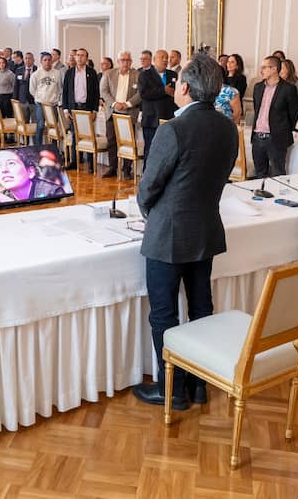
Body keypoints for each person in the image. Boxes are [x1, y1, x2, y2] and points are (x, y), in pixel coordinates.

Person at [131, 52, 238, 410]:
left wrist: (150, 212)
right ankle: (197, 384)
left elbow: (149, 186)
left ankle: (170, 389)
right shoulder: (227, 127)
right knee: (201, 309)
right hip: (206, 228)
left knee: (163, 314)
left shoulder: (172, 129)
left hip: (168, 233)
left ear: (186, 88)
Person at [251, 55, 298, 177]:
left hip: (276, 139)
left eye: (264, 67)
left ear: (274, 69)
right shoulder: (258, 87)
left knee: (278, 174)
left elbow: (293, 115)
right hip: (257, 137)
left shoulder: (288, 89)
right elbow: (257, 109)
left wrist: (283, 131)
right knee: (259, 174)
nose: (261, 70)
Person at [0, 147, 66, 206]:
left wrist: (7, 202)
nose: (4, 170)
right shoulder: (3, 195)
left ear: (30, 172)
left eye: (11, 163)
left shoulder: (52, 192)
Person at [99, 50, 141, 178]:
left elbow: (141, 93)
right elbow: (104, 92)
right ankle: (112, 168)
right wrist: (114, 103)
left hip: (129, 112)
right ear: (118, 62)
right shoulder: (108, 74)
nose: (125, 62)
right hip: (113, 112)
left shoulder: (137, 75)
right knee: (112, 141)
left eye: (128, 60)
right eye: (123, 60)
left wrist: (127, 104)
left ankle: (127, 169)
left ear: (131, 62)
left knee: (128, 142)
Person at [61, 48, 100, 171]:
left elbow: (96, 93)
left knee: (88, 135)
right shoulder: (69, 72)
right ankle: (74, 161)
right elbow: (65, 92)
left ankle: (91, 164)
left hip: (87, 108)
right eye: (77, 55)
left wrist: (95, 110)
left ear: (86, 58)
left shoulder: (92, 72)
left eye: (82, 55)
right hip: (74, 108)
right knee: (74, 135)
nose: (79, 58)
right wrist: (66, 110)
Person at [139, 49, 178, 163]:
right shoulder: (144, 75)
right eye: (162, 57)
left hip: (169, 118)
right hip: (152, 119)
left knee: (167, 151)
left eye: (167, 58)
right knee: (151, 150)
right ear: (154, 60)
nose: (166, 60)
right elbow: (144, 94)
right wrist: (163, 91)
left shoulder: (173, 74)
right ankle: (147, 177)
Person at [31, 52, 63, 145]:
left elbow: (60, 88)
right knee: (40, 126)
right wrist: (40, 98)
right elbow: (32, 90)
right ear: (41, 61)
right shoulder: (36, 74)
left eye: (49, 60)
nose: (47, 62)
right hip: (41, 104)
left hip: (53, 104)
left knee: (54, 128)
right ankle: (38, 148)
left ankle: (53, 148)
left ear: (52, 61)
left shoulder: (57, 73)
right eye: (45, 60)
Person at [13, 52, 37, 124]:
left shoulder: (37, 70)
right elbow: (16, 86)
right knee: (23, 122)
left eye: (29, 58)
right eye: (26, 58)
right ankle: (24, 136)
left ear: (33, 60)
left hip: (34, 101)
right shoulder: (19, 70)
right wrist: (15, 100)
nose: (27, 60)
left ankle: (33, 136)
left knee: (34, 123)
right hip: (22, 100)